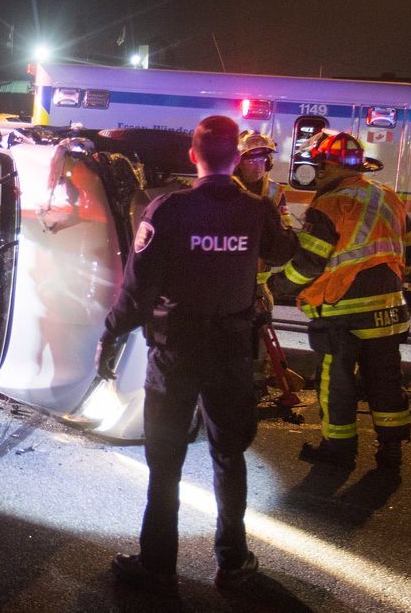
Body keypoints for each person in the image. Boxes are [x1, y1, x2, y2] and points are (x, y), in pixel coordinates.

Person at [97, 115, 297, 592]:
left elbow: (137, 289)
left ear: (193, 155)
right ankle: (232, 560)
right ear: (237, 159)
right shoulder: (257, 210)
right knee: (229, 455)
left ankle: (158, 564)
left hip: (175, 353)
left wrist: (110, 335)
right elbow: (286, 249)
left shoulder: (168, 210)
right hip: (230, 351)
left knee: (165, 461)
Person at [272, 131, 411, 472]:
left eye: (320, 165)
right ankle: (391, 451)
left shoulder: (329, 203)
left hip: (342, 310)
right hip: (389, 308)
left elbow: (310, 262)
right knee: (385, 379)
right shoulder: (388, 197)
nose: (318, 172)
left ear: (327, 167)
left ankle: (339, 451)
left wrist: (278, 284)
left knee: (336, 381)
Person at [233, 131, 294, 394]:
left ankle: (255, 382)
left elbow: (285, 229)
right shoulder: (229, 187)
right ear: (238, 161)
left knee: (260, 332)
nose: (258, 166)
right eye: (251, 160)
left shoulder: (275, 191)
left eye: (263, 160)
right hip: (231, 280)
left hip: (260, 282)